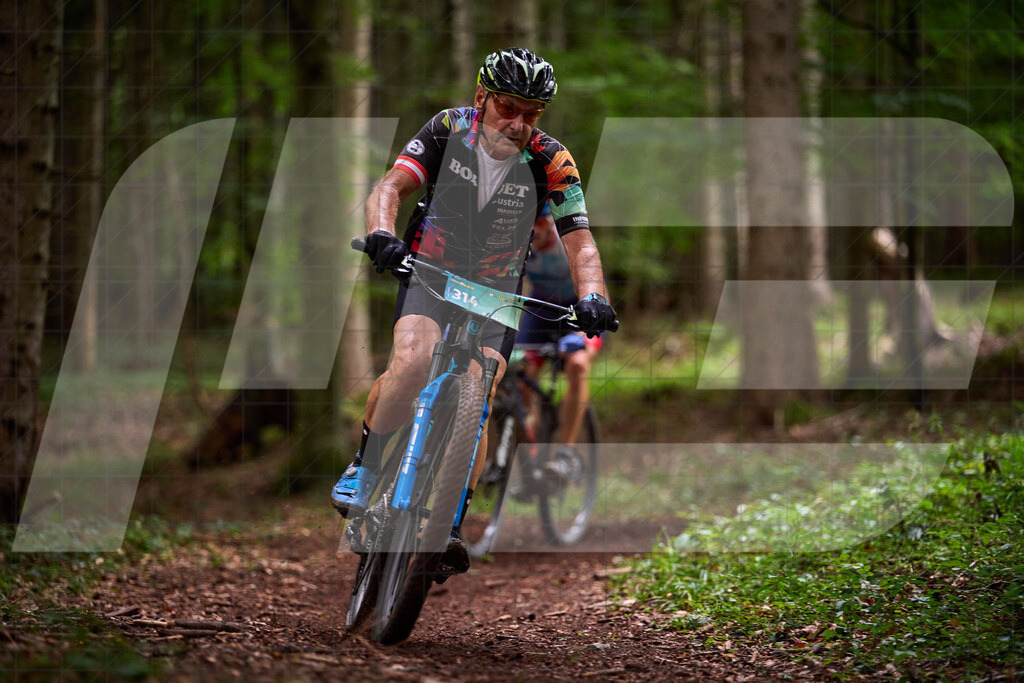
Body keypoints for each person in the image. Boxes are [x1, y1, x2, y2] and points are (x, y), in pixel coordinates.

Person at [330, 48, 617, 573]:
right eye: (508, 108)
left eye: (532, 114)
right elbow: (392, 185)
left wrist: (593, 295)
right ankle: (366, 468)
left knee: (478, 392)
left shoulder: (552, 159)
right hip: (431, 271)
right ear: (482, 97)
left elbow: (581, 241)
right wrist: (381, 234)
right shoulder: (446, 128)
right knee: (413, 362)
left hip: (498, 291)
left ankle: (449, 525)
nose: (518, 123)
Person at [516, 203, 604, 485]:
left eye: (535, 226)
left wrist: (585, 328)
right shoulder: (516, 242)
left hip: (579, 309)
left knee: (577, 364)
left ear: (546, 223)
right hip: (541, 310)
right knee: (519, 377)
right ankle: (530, 455)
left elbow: (599, 286)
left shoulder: (567, 241)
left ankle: (565, 454)